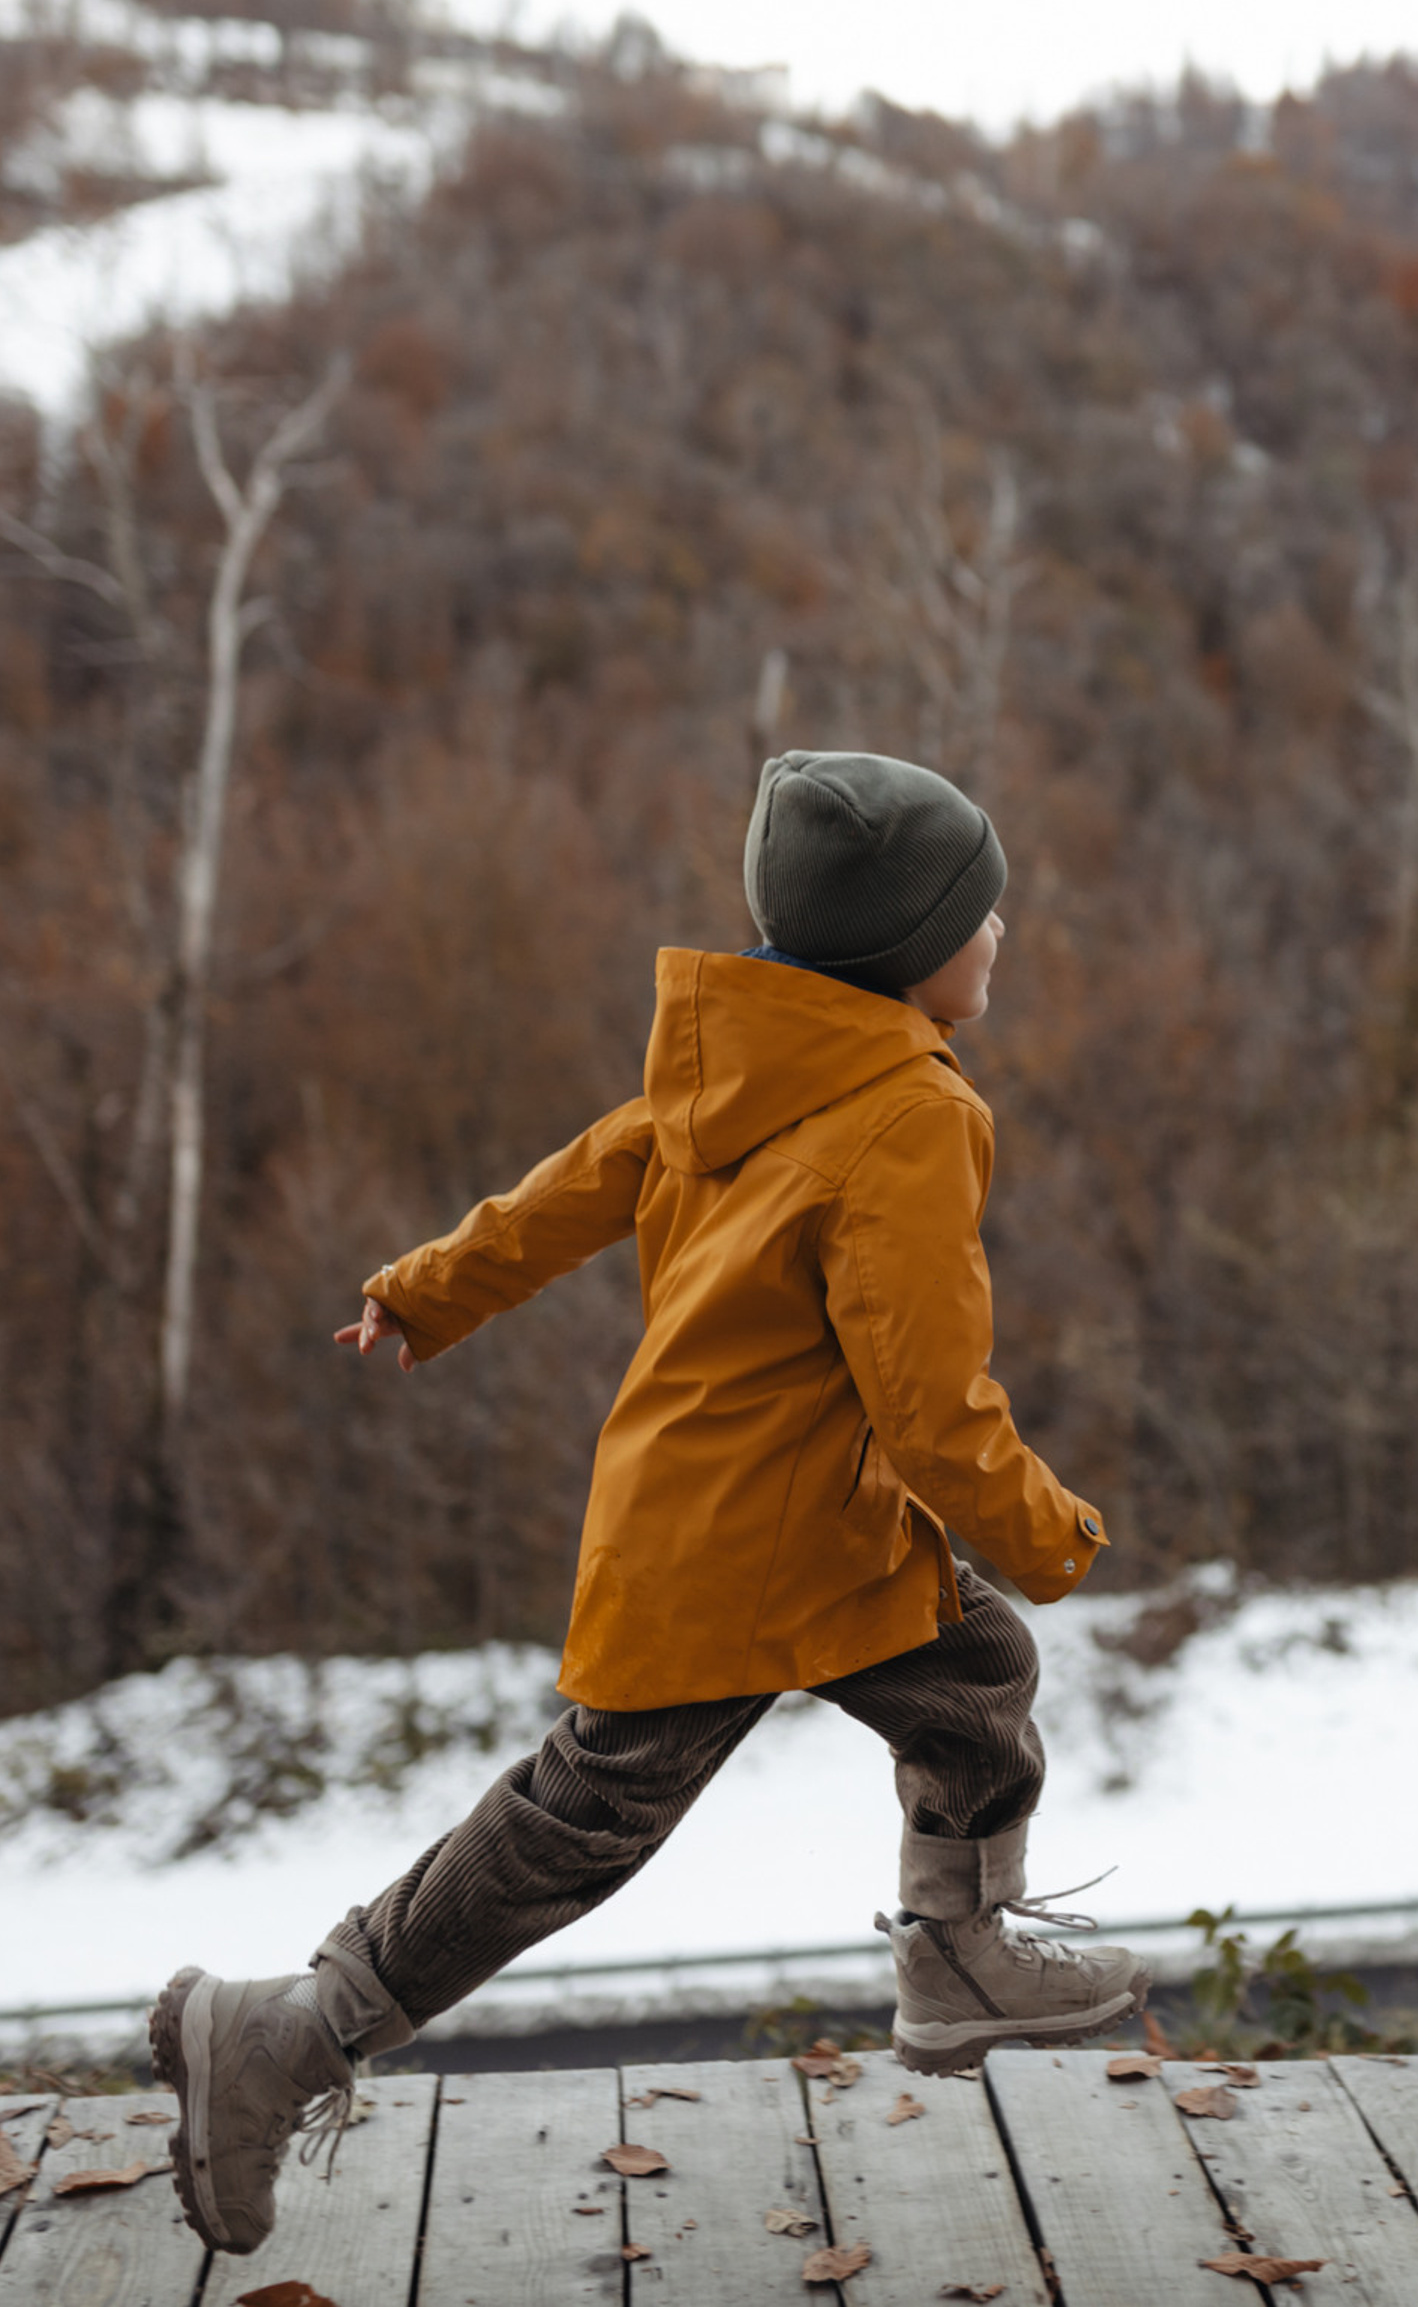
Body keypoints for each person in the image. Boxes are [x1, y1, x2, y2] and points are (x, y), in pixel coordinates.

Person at [151, 751, 1149, 2260]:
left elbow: (571, 1183)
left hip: (772, 1520)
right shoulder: (904, 1118)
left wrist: (425, 1291)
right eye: (981, 913)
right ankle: (287, 2039)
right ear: (902, 948)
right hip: (751, 1551)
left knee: (973, 1671)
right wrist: (1052, 1528)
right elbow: (929, 1405)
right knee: (585, 1820)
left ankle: (958, 1955)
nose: (1002, 934)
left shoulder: (737, 1064)